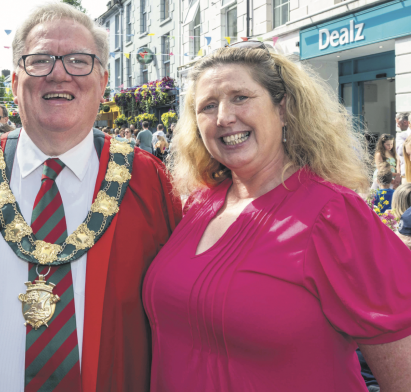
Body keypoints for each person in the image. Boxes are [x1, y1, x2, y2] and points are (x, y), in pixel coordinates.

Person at [0, 4, 182, 391]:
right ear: (16, 80)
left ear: (103, 82)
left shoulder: (148, 181)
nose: (59, 72)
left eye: (78, 61)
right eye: (40, 60)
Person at [144, 42, 411, 391]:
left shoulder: (332, 214)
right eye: (208, 106)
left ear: (282, 109)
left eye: (240, 97)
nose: (224, 116)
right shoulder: (199, 205)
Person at [396, 112, 410, 182]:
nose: (397, 126)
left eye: (398, 123)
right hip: (407, 176)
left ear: (405, 122)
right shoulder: (401, 135)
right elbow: (400, 152)